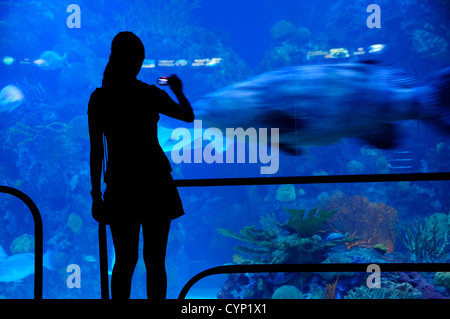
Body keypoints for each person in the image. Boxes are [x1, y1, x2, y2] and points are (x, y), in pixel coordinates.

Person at [88, 31, 194, 300]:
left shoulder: (99, 98)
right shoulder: (149, 94)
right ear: (138, 61)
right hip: (156, 182)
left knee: (124, 261)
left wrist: (95, 195)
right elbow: (187, 116)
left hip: (121, 186)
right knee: (155, 261)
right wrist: (177, 90)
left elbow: (96, 151)